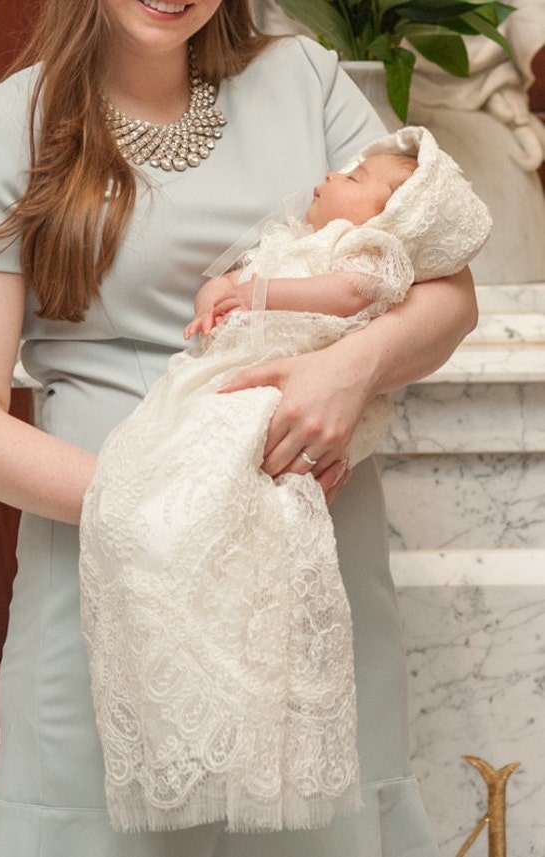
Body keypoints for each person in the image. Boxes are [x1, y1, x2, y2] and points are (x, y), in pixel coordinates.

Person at [0, 0, 479, 851]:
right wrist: (182, 501)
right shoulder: (4, 127)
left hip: (315, 567)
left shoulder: (306, 79)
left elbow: (449, 293)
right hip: (115, 560)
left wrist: (348, 368)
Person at [79, 126, 491, 836]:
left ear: (390, 212)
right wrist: (224, 288)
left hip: (290, 381)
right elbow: (249, 283)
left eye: (357, 176)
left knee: (230, 472)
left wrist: (260, 292)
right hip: (231, 365)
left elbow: (358, 293)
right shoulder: (300, 238)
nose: (335, 172)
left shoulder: (367, 252)